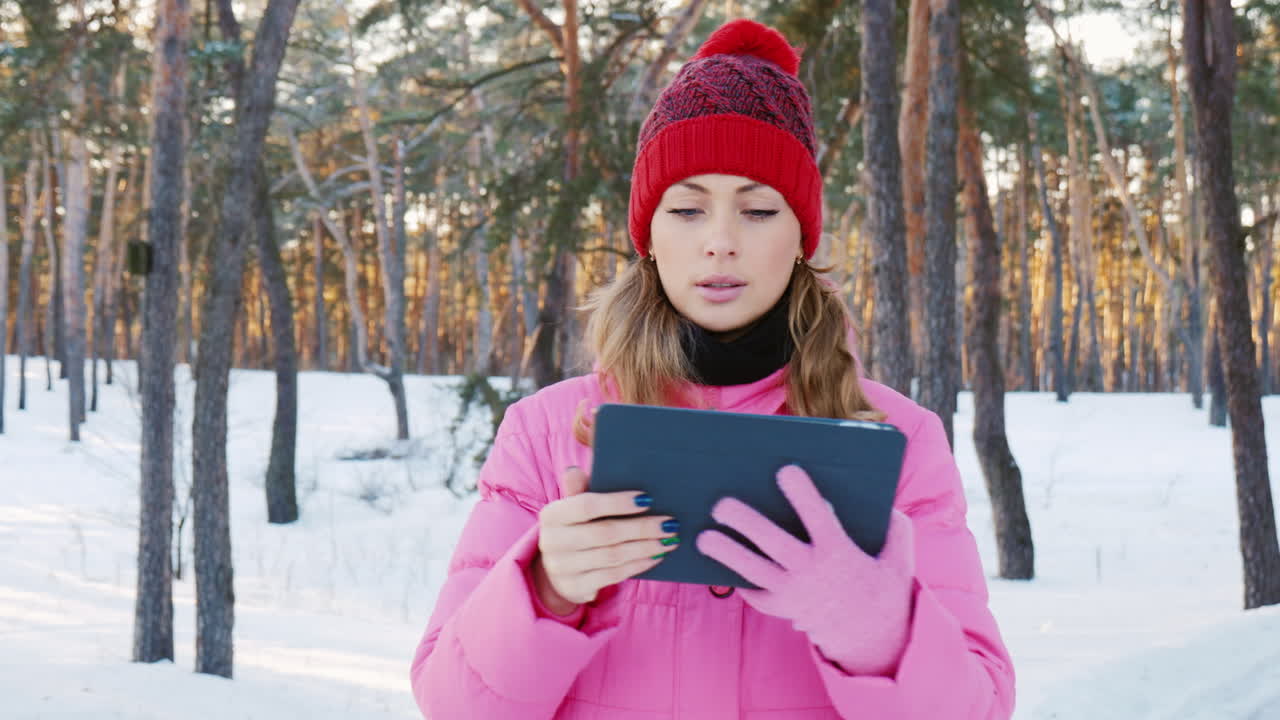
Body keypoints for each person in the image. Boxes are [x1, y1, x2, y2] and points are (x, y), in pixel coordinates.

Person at [410, 18, 1015, 720]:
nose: (720, 243)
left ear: (800, 238)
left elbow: (977, 708)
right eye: (688, 209)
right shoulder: (546, 431)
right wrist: (543, 589)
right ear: (650, 236)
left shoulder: (897, 440)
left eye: (758, 210)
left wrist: (881, 629)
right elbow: (452, 706)